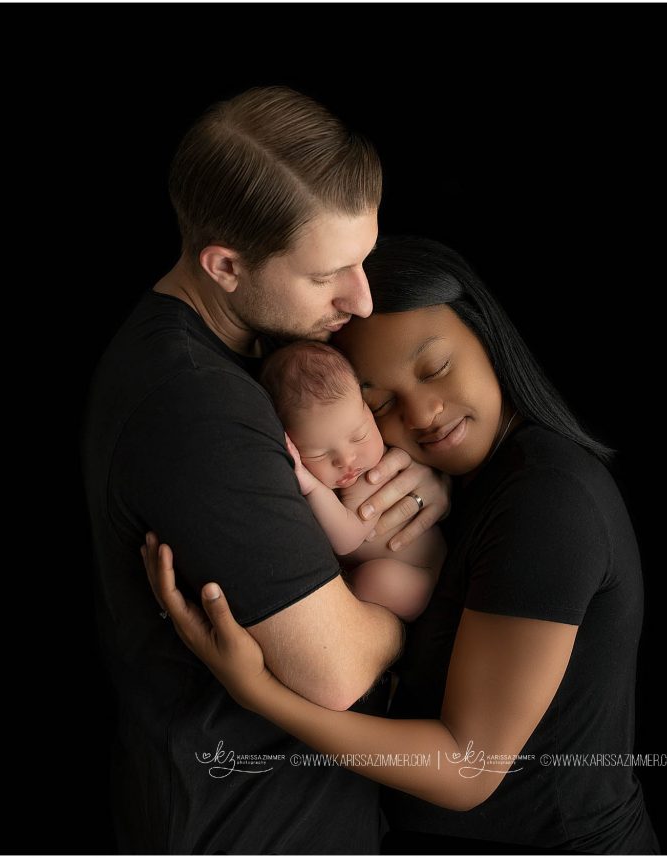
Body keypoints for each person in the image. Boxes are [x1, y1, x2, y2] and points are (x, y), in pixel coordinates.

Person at [141, 236, 661, 853]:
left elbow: (468, 769)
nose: (423, 413)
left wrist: (259, 692)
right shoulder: (471, 488)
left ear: (485, 334)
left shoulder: (549, 499)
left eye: (434, 368)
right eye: (379, 404)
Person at [81, 91, 449, 854]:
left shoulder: (252, 356)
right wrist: (418, 603)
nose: (362, 297)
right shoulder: (195, 404)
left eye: (363, 259)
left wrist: (410, 499)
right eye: (328, 275)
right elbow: (338, 671)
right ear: (224, 265)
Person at [260, 341, 446, 621]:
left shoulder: (373, 474)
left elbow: (347, 539)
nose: (347, 461)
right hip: (408, 574)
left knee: (373, 581)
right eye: (320, 453)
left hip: (422, 576)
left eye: (359, 436)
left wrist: (311, 486)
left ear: (370, 413)